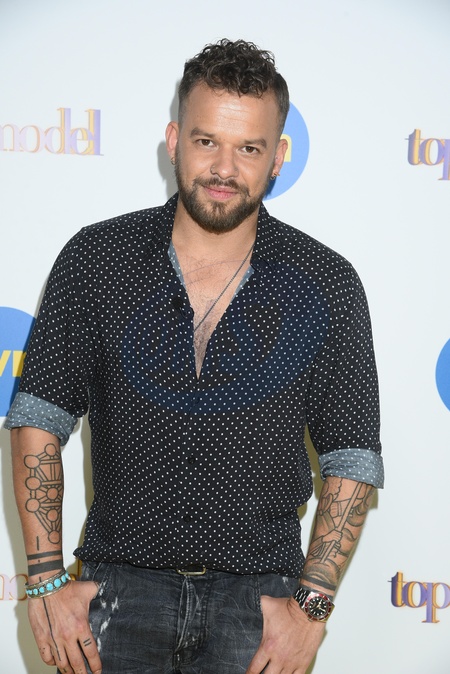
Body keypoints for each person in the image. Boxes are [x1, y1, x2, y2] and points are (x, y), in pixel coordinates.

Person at [5, 38, 384, 674]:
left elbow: (352, 457)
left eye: (249, 148)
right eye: (207, 141)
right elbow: (39, 419)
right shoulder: (99, 259)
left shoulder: (325, 282)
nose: (224, 168)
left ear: (278, 158)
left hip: (259, 605)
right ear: (174, 140)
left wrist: (312, 609)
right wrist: (44, 581)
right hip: (117, 593)